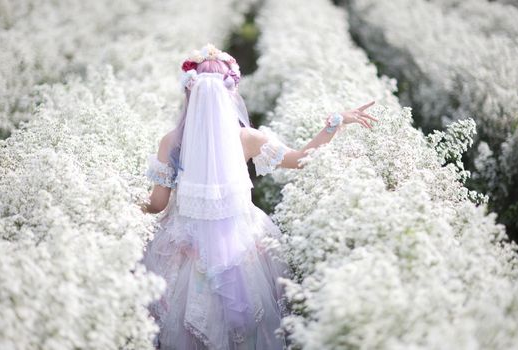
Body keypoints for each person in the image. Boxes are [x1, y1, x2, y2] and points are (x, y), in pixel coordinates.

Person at [139, 43, 377, 350]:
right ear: (231, 94)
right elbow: (301, 158)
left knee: (185, 321)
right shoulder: (247, 139)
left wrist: (124, 200)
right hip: (240, 241)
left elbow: (157, 204)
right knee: (245, 322)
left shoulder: (171, 142)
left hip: (185, 246)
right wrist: (335, 121)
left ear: (189, 93)